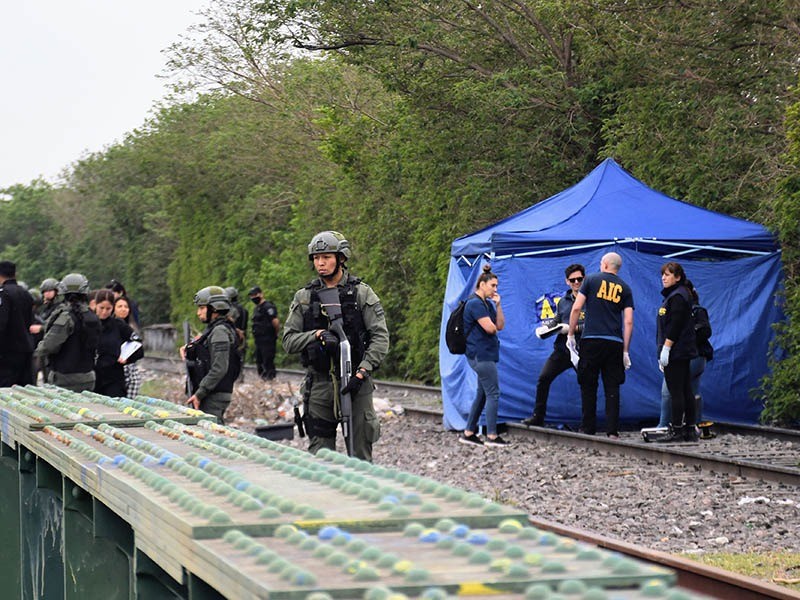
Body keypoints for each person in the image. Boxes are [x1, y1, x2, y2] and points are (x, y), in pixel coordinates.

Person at [283, 231, 389, 462]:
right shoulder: (304, 297)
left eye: (327, 257)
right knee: (321, 459)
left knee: (360, 458)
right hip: (319, 386)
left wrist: (362, 371)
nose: (320, 263)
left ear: (341, 258)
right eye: (316, 258)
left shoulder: (362, 293)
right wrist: (316, 334)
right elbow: (288, 341)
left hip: (356, 384)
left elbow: (380, 337)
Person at [568, 252, 634, 438]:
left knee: (588, 385)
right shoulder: (625, 288)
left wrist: (571, 334)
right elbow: (628, 321)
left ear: (604, 264)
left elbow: (576, 308)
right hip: (614, 342)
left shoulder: (590, 280)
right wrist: (625, 350)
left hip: (591, 339)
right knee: (612, 387)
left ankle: (588, 427)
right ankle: (612, 431)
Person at [522, 264, 586, 426]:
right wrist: (547, 328)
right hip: (562, 350)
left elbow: (594, 324)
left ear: (584, 279)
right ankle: (538, 416)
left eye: (579, 279)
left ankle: (587, 424)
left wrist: (572, 329)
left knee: (587, 385)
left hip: (583, 350)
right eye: (573, 280)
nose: (576, 282)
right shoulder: (563, 301)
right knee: (544, 378)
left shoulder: (590, 299)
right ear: (567, 281)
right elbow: (558, 318)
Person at [459, 264, 509, 447]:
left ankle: (468, 433)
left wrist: (498, 304)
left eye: (496, 286)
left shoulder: (486, 304)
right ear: (482, 284)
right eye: (492, 285)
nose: (495, 289)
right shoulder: (474, 304)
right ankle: (492, 436)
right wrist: (493, 326)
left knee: (482, 393)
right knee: (493, 393)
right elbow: (490, 328)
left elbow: (500, 325)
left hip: (486, 354)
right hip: (480, 355)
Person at [657, 280, 713, 429]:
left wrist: (687, 340)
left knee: (670, 390)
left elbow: (705, 331)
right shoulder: (693, 308)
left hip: (690, 355)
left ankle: (666, 424)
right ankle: (694, 424)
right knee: (691, 391)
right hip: (695, 355)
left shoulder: (695, 310)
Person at [181, 286, 241, 424]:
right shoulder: (216, 329)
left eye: (202, 308)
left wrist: (200, 393)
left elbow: (219, 368)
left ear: (214, 309)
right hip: (212, 393)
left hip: (214, 395)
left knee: (212, 436)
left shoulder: (220, 331)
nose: (198, 313)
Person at [655, 262, 699, 442]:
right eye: (663, 274)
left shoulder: (678, 297)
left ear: (678, 277)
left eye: (668, 274)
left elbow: (675, 324)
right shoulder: (675, 295)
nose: (664, 278)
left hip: (677, 350)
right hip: (681, 350)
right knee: (686, 390)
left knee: (676, 391)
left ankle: (678, 429)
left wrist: (666, 348)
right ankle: (689, 429)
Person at [34, 273, 101, 392]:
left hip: (65, 378)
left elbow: (49, 345)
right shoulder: (93, 316)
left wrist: (34, 351)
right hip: (88, 377)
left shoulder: (66, 317)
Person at [93, 290, 143, 397]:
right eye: (101, 308)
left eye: (108, 309)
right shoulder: (88, 323)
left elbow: (138, 346)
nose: (104, 312)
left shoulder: (119, 325)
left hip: (114, 379)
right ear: (95, 305)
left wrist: (128, 357)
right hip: (93, 377)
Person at [0, 260, 35, 386]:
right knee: (24, 390)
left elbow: (1, 324)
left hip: (7, 352)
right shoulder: (26, 294)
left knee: (5, 392)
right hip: (26, 348)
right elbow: (30, 321)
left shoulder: (3, 294)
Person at [113, 295, 144, 398]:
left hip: (130, 369)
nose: (123, 309)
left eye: (126, 307)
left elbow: (140, 350)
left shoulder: (131, 327)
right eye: (119, 306)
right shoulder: (111, 327)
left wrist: (128, 359)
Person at [249, 285, 280, 380]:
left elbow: (275, 322)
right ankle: (263, 379)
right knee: (259, 361)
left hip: (268, 338)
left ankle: (270, 380)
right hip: (259, 339)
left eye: (255, 295)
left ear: (261, 294)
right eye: (252, 296)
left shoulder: (268, 306)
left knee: (268, 360)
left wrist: (275, 334)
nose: (253, 297)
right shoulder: (257, 308)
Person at [225, 286, 248, 378]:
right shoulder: (244, 309)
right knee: (240, 357)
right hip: (243, 336)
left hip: (233, 335)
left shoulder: (230, 310)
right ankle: (240, 375)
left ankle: (235, 377)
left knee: (232, 357)